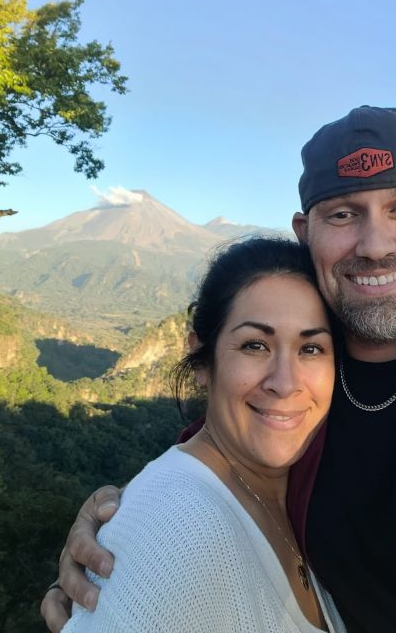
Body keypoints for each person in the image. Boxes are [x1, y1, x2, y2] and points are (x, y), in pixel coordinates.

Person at [42, 106, 396, 633]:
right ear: (306, 233)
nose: (375, 245)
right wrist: (123, 528)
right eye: (343, 215)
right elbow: (211, 472)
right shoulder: (300, 395)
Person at [58, 236, 346, 632]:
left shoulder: (305, 494)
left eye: (311, 349)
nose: (285, 382)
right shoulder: (171, 528)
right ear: (202, 359)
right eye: (255, 345)